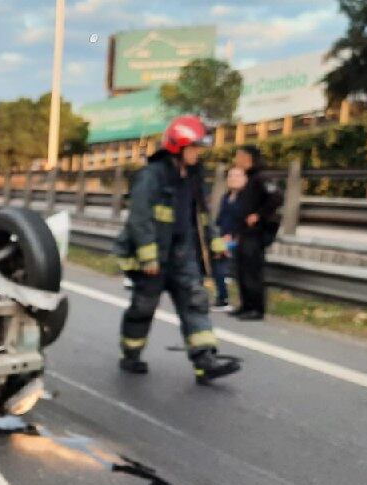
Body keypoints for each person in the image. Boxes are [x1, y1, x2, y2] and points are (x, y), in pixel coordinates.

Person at [113, 114, 242, 384]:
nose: (197, 153)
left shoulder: (193, 177)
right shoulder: (152, 175)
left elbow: (202, 214)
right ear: (178, 147)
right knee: (143, 307)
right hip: (154, 255)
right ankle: (131, 354)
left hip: (183, 253)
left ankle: (205, 361)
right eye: (194, 147)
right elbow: (139, 216)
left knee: (195, 302)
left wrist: (215, 242)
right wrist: (148, 255)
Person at [229, 146, 282, 321]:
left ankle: (256, 309)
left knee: (252, 270)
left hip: (256, 232)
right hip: (244, 231)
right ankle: (245, 305)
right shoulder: (247, 178)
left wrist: (259, 215)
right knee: (241, 269)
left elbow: (277, 197)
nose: (236, 160)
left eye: (239, 157)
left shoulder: (262, 177)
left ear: (248, 158)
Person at [212, 166, 247, 311]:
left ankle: (228, 298)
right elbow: (220, 220)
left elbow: (243, 221)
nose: (233, 179)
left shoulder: (246, 199)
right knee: (216, 262)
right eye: (230, 176)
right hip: (224, 238)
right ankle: (222, 296)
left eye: (237, 176)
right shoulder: (225, 198)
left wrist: (232, 236)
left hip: (240, 238)